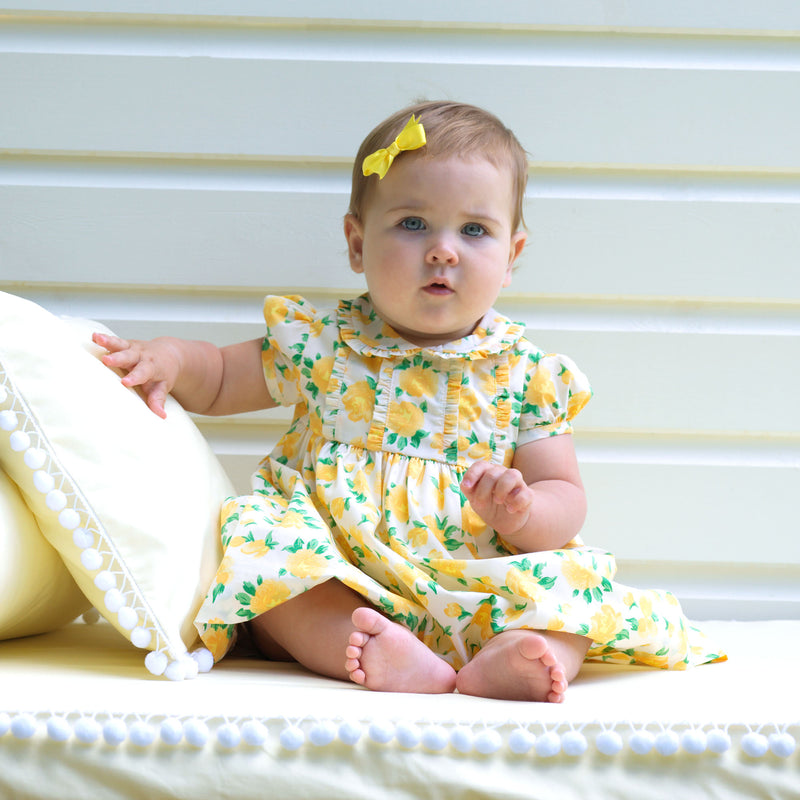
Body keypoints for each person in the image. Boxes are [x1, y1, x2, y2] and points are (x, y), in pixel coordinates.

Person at [94, 100, 724, 703]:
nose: (443, 249)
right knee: (270, 571)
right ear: (358, 242)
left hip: (473, 575)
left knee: (577, 591)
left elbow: (566, 494)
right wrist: (173, 359)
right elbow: (225, 378)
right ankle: (374, 649)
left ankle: (525, 654)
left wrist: (524, 512)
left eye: (474, 229)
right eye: (413, 223)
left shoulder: (527, 374)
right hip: (343, 567)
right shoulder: (326, 346)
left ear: (512, 257)